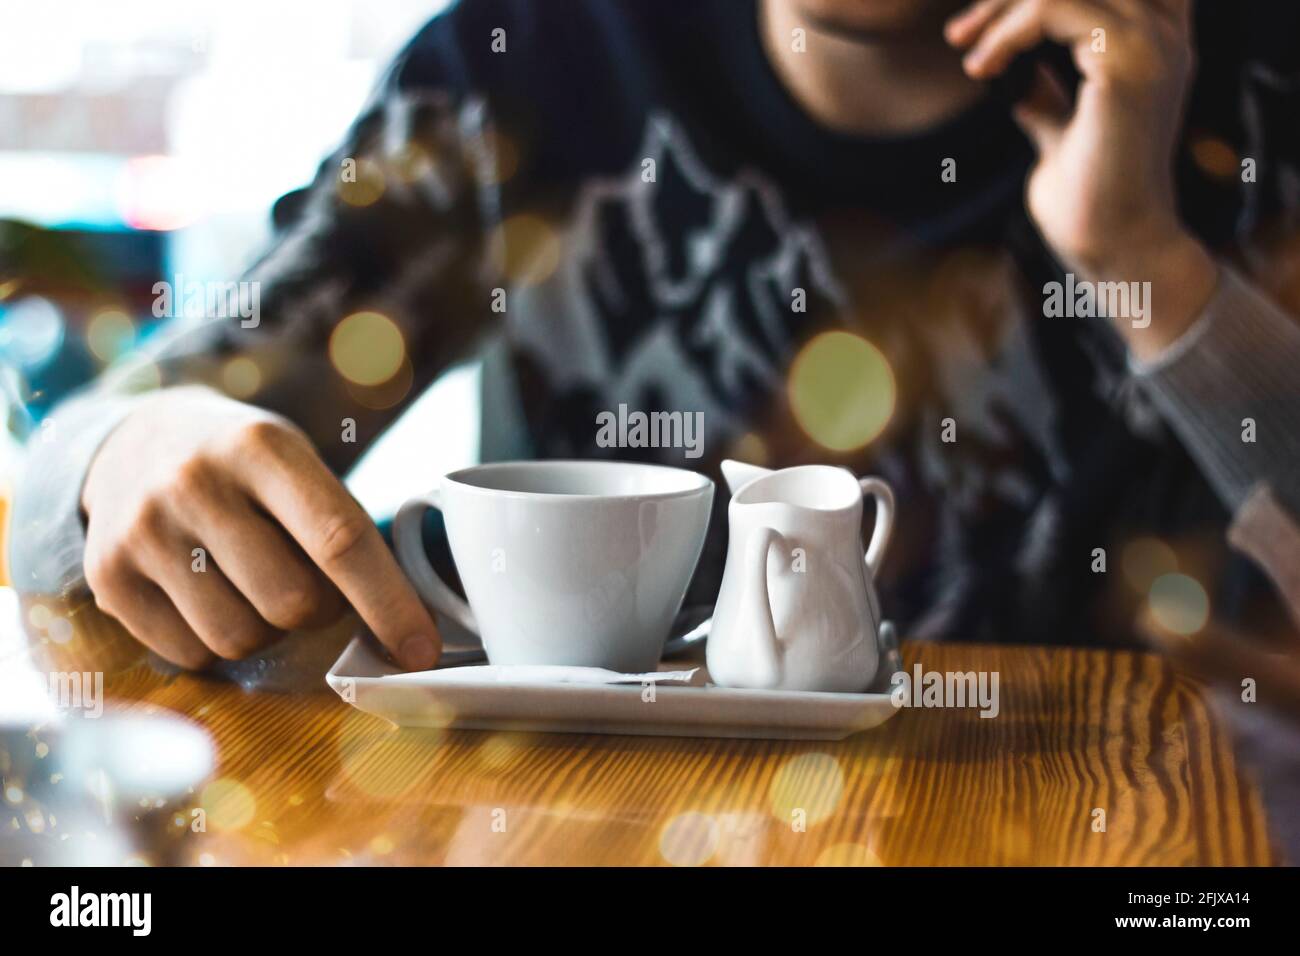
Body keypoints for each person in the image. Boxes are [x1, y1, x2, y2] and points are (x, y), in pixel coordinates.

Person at [11, 0, 1300, 688]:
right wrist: (122, 456)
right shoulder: (530, 65)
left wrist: (1143, 260)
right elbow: (75, 466)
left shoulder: (1242, 82)